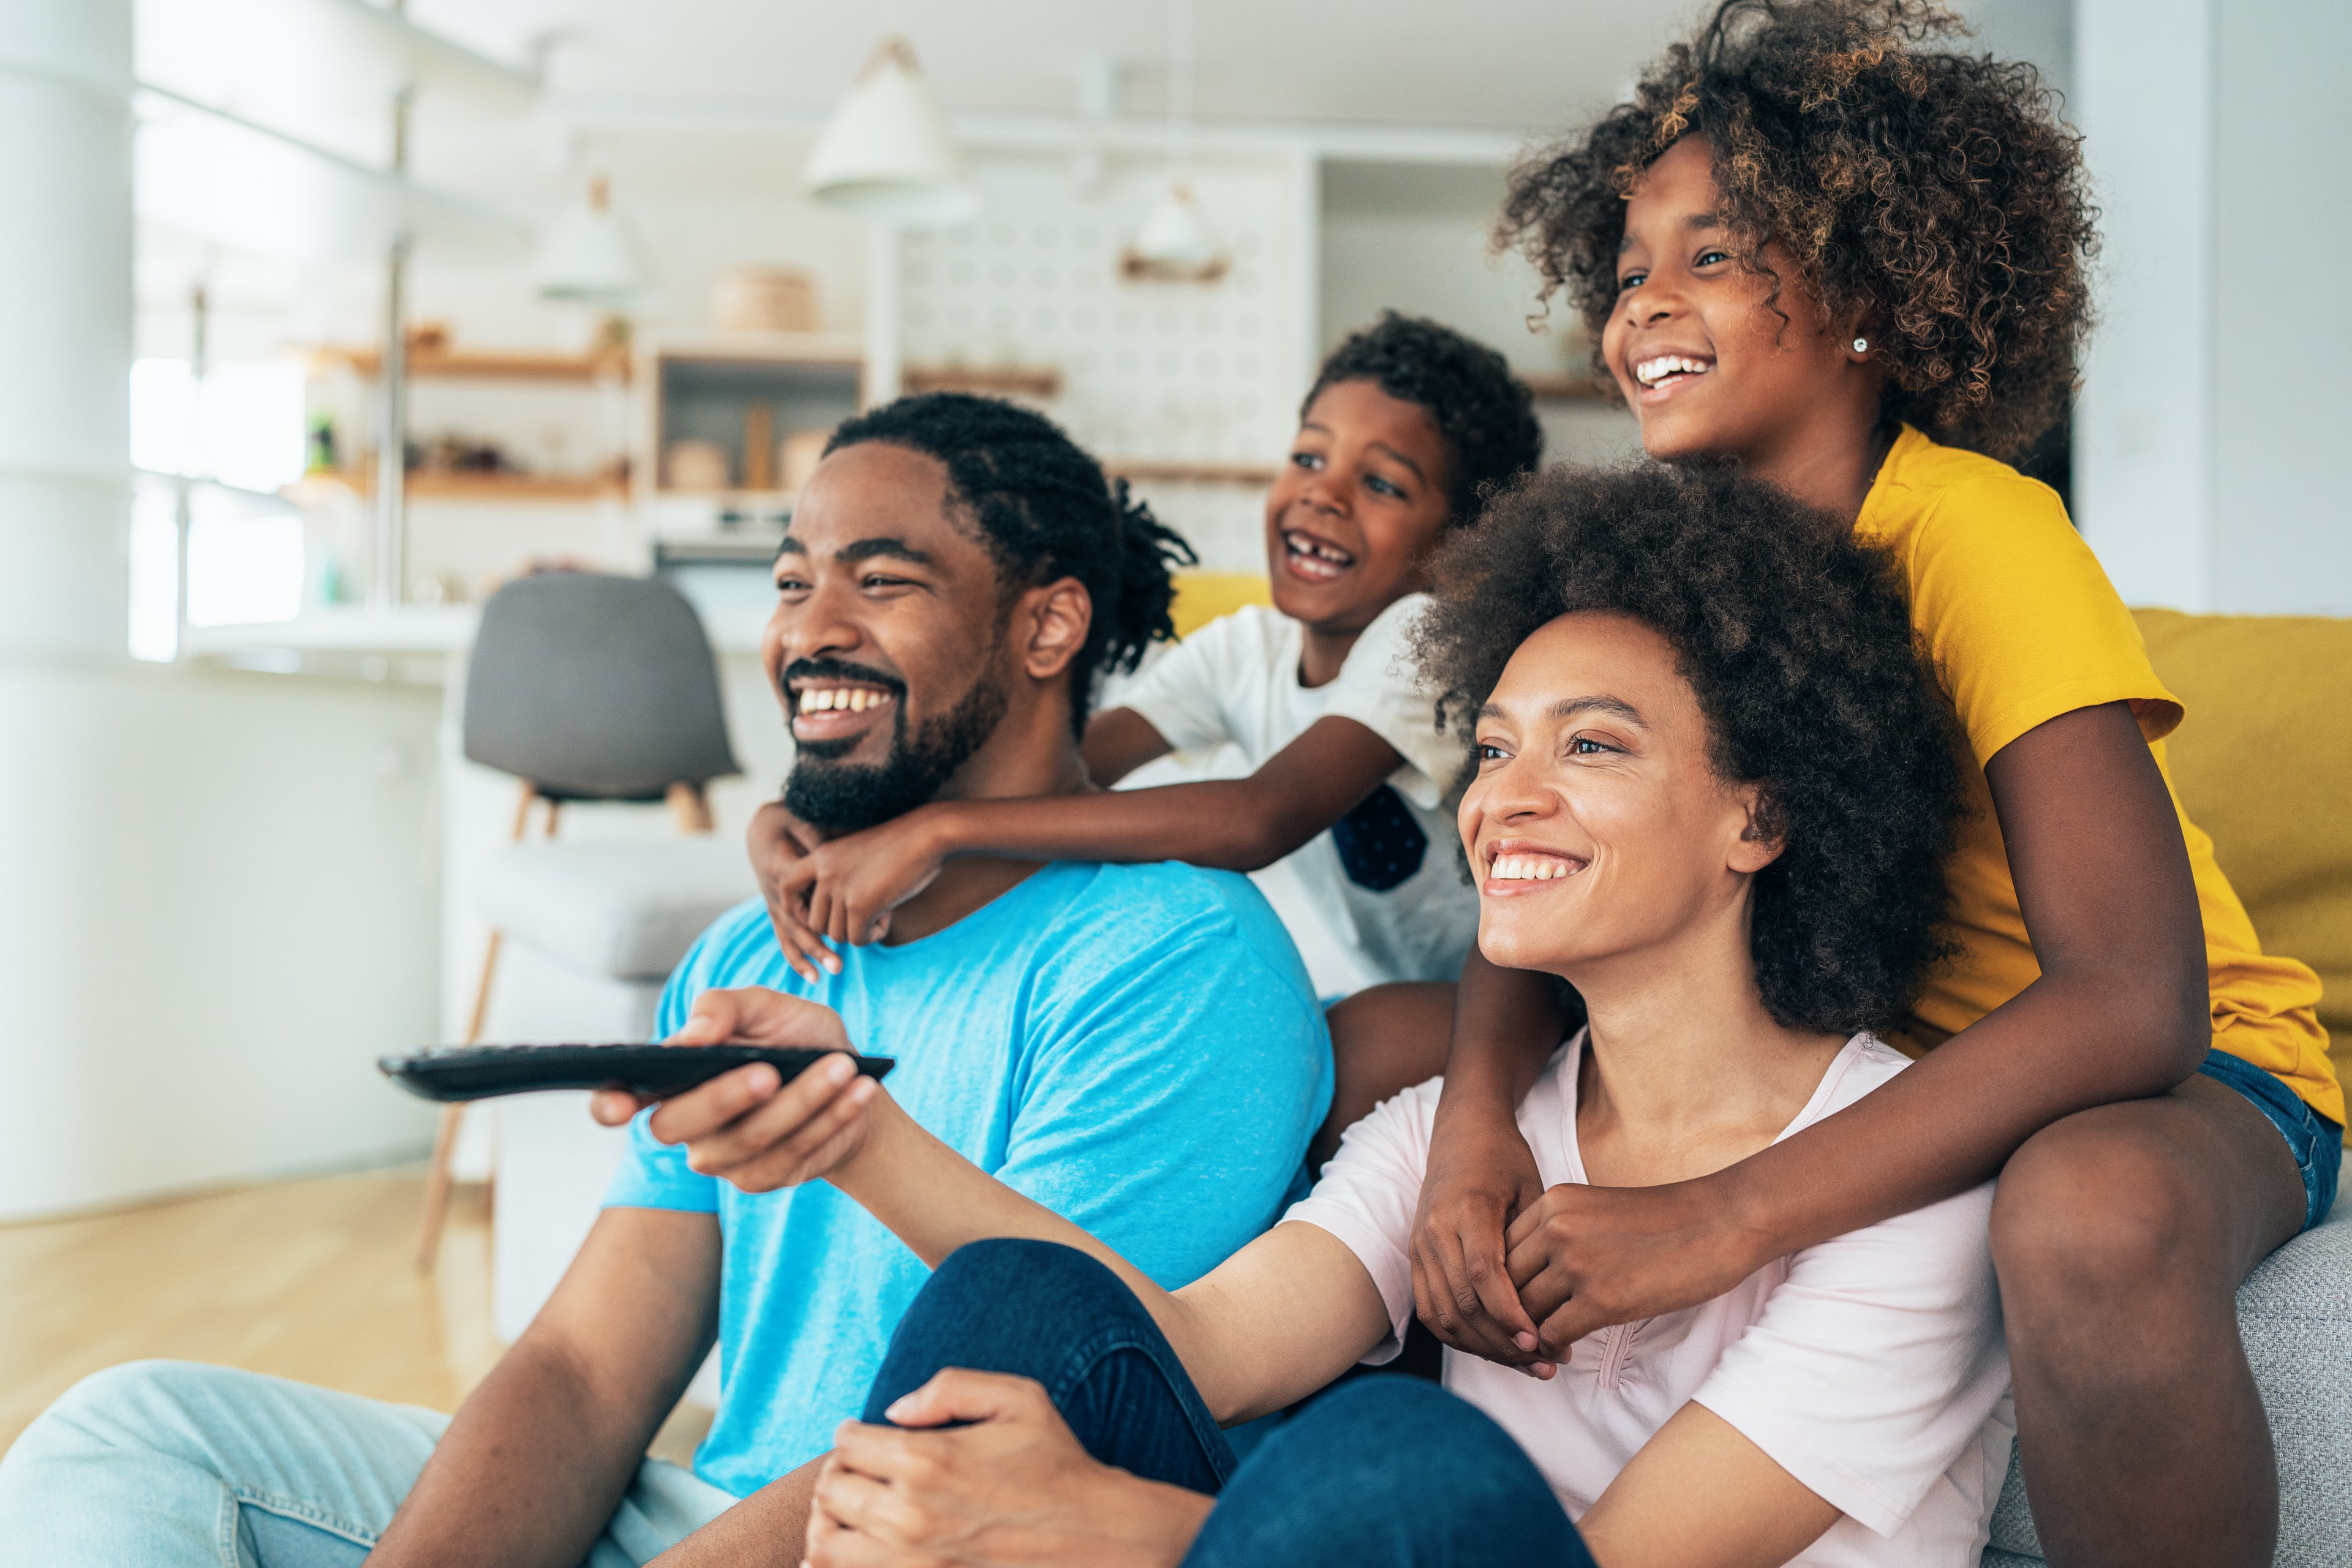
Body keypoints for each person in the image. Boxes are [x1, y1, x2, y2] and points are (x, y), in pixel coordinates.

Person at [0, 394, 1332, 1568]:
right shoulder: (753, 953)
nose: (811, 631)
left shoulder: (1175, 955)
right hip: (712, 1511)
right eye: (792, 580)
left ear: (1047, 626)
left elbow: (993, 1420)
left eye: (882, 581)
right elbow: (583, 1367)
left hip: (937, 1540)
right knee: (132, 1437)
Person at [668, 462, 2007, 1568]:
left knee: (1404, 1459)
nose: (1503, 799)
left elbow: (1606, 1565)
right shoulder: (1457, 1134)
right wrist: (848, 1125)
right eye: (1491, 747)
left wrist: (1118, 1529)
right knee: (1026, 1296)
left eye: (1590, 744)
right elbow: (1195, 1346)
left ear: (1759, 815)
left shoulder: (1907, 1180)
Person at [1408, 7, 2345, 1567]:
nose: (1646, 303)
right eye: (1631, 267)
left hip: (2181, 1078)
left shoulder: (1980, 532)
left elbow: (2136, 999)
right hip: (1837, 1049)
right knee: (1379, 1045)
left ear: (1865, 292)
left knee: (2086, 1207)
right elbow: (1533, 882)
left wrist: (1728, 1215)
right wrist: (1465, 1138)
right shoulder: (1652, 561)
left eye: (1714, 254)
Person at [750, 313, 1544, 1162]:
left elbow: (1259, 818)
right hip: (1398, 976)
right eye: (1309, 457)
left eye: (1382, 485)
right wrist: (805, 825)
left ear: (1464, 548)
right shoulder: (1246, 651)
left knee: (1335, 1048)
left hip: (1526, 992)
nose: (1324, 493)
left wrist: (939, 831)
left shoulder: (1429, 637)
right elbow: (1051, 772)